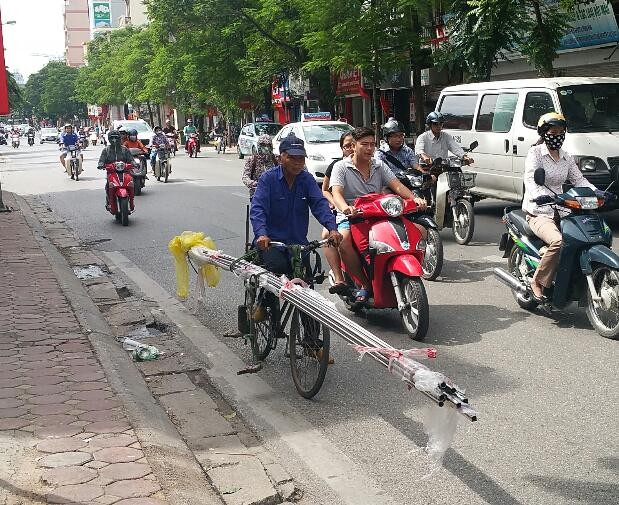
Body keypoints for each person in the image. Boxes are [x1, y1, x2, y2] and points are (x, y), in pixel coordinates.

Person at [330, 127, 427, 304]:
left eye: (372, 145)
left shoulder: (379, 165)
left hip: (380, 211)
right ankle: (365, 285)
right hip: (352, 214)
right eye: (364, 144)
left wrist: (415, 198)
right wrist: (345, 207)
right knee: (344, 242)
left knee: (419, 230)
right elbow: (336, 192)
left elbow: (397, 186)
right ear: (353, 145)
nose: (369, 149)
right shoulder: (341, 167)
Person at [522, 112, 602, 300]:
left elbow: (579, 180)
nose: (557, 135)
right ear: (544, 132)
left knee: (583, 237)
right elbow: (531, 179)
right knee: (558, 241)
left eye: (560, 131)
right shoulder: (535, 153)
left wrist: (598, 192)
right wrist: (540, 196)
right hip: (539, 211)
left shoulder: (567, 156)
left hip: (563, 208)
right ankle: (537, 280)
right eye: (553, 131)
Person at [250, 134, 342, 277]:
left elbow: (319, 204)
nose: (298, 162)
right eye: (292, 158)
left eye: (301, 158)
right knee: (277, 271)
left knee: (306, 280)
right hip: (271, 243)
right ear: (280, 158)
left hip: (298, 243)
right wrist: (261, 234)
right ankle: (266, 299)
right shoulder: (268, 179)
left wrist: (332, 228)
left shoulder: (307, 179)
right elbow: (258, 209)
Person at [322, 131, 354, 294]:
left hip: (365, 210)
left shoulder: (373, 164)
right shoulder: (336, 166)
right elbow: (325, 190)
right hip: (341, 210)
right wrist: (337, 204)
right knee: (328, 235)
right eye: (347, 146)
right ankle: (339, 277)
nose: (351, 149)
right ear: (342, 148)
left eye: (353, 144)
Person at [97, 130, 135, 209]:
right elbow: (101, 160)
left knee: (131, 183)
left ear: (120, 138)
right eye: (112, 138)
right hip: (111, 172)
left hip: (125, 171)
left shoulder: (125, 149)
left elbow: (131, 159)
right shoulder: (106, 150)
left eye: (116, 137)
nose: (114, 139)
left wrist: (134, 163)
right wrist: (101, 164)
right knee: (108, 186)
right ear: (109, 139)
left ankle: (131, 201)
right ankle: (109, 201)